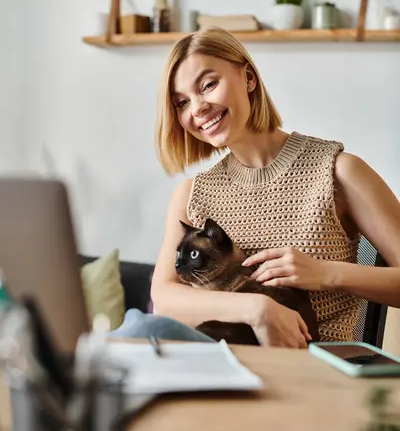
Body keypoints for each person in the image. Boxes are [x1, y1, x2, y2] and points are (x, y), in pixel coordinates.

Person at [119, 27, 400, 348]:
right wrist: (256, 308)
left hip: (314, 369)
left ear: (249, 78)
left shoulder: (337, 171)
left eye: (208, 85)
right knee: (136, 330)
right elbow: (165, 297)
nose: (197, 108)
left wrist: (325, 272)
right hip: (219, 364)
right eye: (182, 102)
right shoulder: (192, 194)